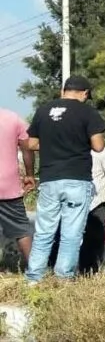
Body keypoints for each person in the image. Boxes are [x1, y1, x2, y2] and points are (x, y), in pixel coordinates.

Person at [24, 75, 105, 284]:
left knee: (44, 232)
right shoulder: (87, 112)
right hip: (77, 178)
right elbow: (98, 146)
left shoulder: (43, 110)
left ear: (64, 90)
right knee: (71, 233)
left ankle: (34, 278)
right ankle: (63, 278)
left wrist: (53, 143)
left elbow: (31, 144)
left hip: (50, 178)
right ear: (85, 93)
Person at [0, 107, 36, 264]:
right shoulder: (13, 118)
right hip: (7, 185)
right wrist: (29, 174)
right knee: (22, 229)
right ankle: (35, 271)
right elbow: (28, 147)